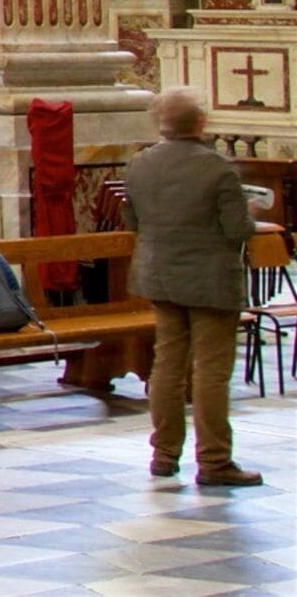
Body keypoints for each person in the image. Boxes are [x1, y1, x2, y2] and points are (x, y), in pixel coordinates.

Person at [124, 85, 262, 485]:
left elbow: (134, 223)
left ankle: (165, 455)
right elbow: (237, 230)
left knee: (166, 365)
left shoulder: (140, 164)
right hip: (210, 281)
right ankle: (215, 460)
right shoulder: (216, 168)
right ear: (201, 122)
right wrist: (250, 212)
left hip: (160, 275)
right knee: (211, 372)